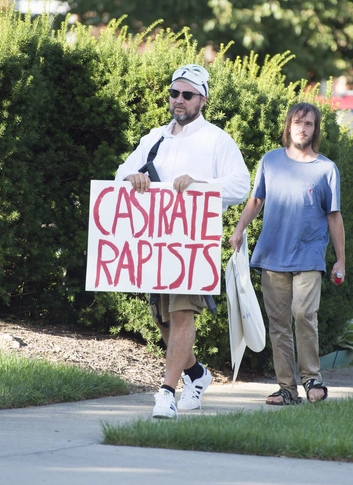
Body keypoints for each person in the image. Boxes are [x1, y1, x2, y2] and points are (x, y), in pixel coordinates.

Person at [115, 64, 250, 419]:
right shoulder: (155, 138)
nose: (179, 100)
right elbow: (119, 175)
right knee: (163, 319)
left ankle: (165, 392)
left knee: (181, 313)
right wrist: (133, 177)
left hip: (192, 244)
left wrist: (201, 184)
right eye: (174, 93)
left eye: (187, 95)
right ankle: (196, 374)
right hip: (157, 245)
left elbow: (241, 186)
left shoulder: (217, 140)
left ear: (202, 99)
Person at [229, 102, 345, 405]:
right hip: (272, 254)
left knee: (304, 314)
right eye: (297, 122)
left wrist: (341, 259)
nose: (302, 128)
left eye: (308, 124)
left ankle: (312, 377)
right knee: (278, 323)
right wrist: (239, 229)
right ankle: (287, 388)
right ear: (288, 125)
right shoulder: (270, 161)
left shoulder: (326, 169)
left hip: (309, 254)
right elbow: (257, 200)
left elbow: (334, 216)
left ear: (315, 129)